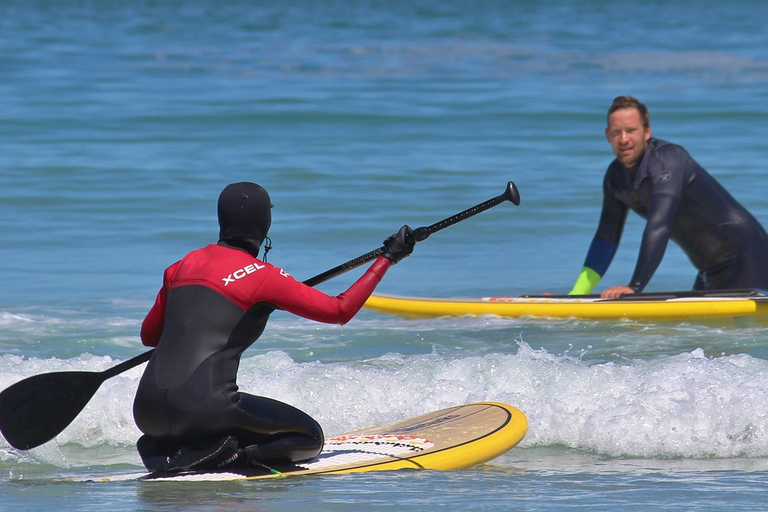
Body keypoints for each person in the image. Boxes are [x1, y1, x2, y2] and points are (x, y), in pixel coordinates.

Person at [132, 182, 415, 474]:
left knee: (208, 415)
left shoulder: (179, 267)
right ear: (265, 223)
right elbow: (340, 311)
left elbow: (149, 336)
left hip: (148, 413)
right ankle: (229, 456)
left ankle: (164, 449)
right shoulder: (264, 276)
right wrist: (387, 259)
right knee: (309, 437)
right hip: (204, 408)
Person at [570, 96, 768, 299]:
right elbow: (606, 240)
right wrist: (576, 295)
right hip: (709, 267)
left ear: (647, 132)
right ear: (607, 136)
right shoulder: (615, 178)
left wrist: (635, 286)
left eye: (631, 130)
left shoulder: (668, 161)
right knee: (702, 329)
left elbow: (659, 226)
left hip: (747, 257)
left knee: (747, 329)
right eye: (616, 132)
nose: (623, 139)